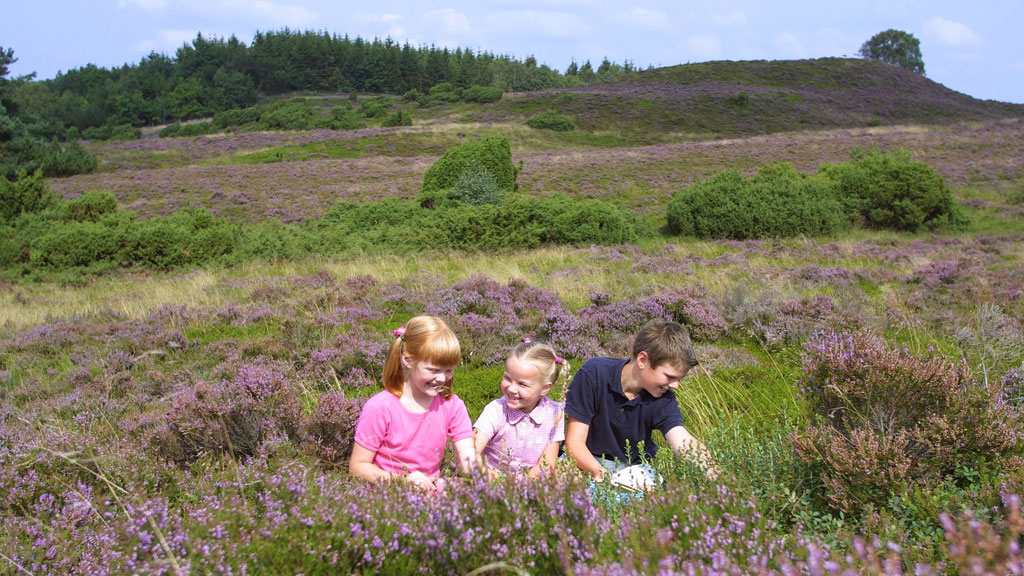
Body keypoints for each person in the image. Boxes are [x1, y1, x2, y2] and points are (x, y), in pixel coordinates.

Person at [564, 319, 716, 491]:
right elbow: (574, 443)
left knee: (651, 495)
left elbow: (682, 440)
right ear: (643, 359)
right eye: (670, 377)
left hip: (633, 468)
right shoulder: (594, 374)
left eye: (679, 379)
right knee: (562, 479)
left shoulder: (663, 399)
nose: (675, 385)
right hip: (586, 459)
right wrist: (603, 477)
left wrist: (714, 474)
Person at [349, 315, 476, 491]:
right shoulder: (380, 407)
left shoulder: (452, 406)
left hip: (431, 496)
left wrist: (474, 468)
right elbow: (358, 467)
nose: (441, 378)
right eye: (433, 370)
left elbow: (466, 452)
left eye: (449, 370)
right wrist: (402, 481)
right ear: (408, 360)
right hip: (387, 499)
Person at [473, 339, 570, 479]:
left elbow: (546, 464)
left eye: (522, 384)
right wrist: (494, 480)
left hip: (531, 485)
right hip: (490, 483)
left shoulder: (555, 414)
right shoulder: (496, 410)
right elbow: (471, 453)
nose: (511, 388)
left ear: (545, 388)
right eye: (507, 378)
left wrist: (525, 488)